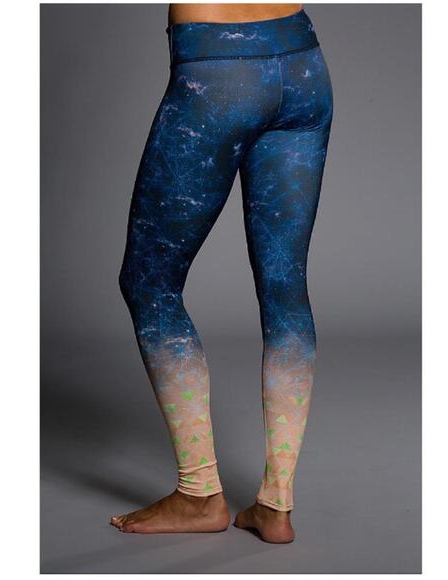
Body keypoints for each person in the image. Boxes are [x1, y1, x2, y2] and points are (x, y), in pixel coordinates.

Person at [110, 3, 333, 544]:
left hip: (218, 75)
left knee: (150, 284)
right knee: (285, 287)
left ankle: (199, 494)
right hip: (304, 66)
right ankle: (276, 505)